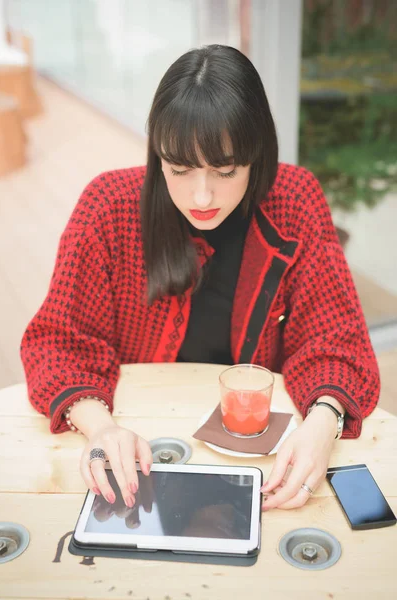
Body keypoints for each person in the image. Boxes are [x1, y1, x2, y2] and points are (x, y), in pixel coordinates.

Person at [21, 44, 380, 513]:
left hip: (258, 453)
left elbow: (336, 341)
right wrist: (100, 427)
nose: (202, 194)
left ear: (257, 155)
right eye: (180, 169)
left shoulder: (294, 201)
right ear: (157, 157)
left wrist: (321, 425)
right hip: (137, 440)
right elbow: (57, 342)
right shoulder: (109, 208)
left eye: (226, 170)